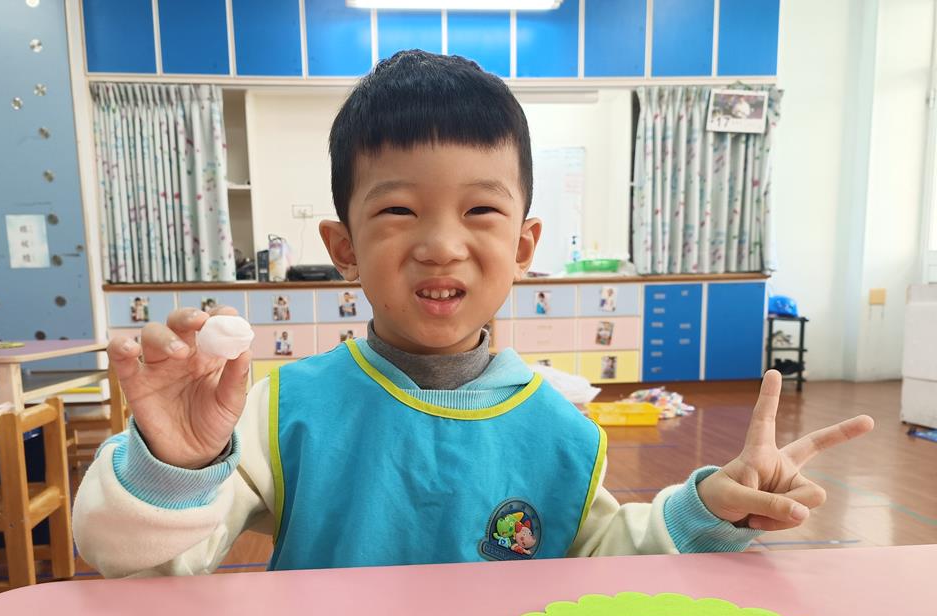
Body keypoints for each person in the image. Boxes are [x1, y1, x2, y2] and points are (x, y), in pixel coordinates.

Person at [73, 51, 872, 577]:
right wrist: (172, 465)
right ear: (344, 248)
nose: (441, 246)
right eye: (398, 211)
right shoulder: (282, 409)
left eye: (481, 210)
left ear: (523, 246)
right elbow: (133, 564)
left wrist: (707, 509)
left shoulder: (561, 429)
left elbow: (602, 559)